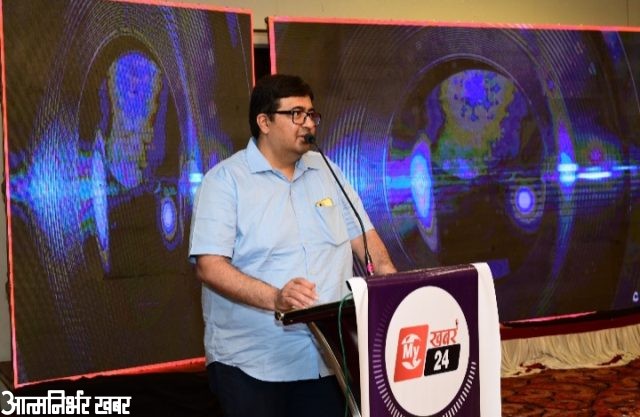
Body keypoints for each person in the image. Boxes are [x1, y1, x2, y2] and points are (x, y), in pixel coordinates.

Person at [189, 74, 397, 417]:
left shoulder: (326, 170)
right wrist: (276, 298)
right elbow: (209, 266)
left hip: (328, 359)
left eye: (312, 114)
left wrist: (391, 283)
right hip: (253, 364)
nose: (308, 123)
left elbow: (365, 239)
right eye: (296, 114)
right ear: (264, 122)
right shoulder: (225, 182)